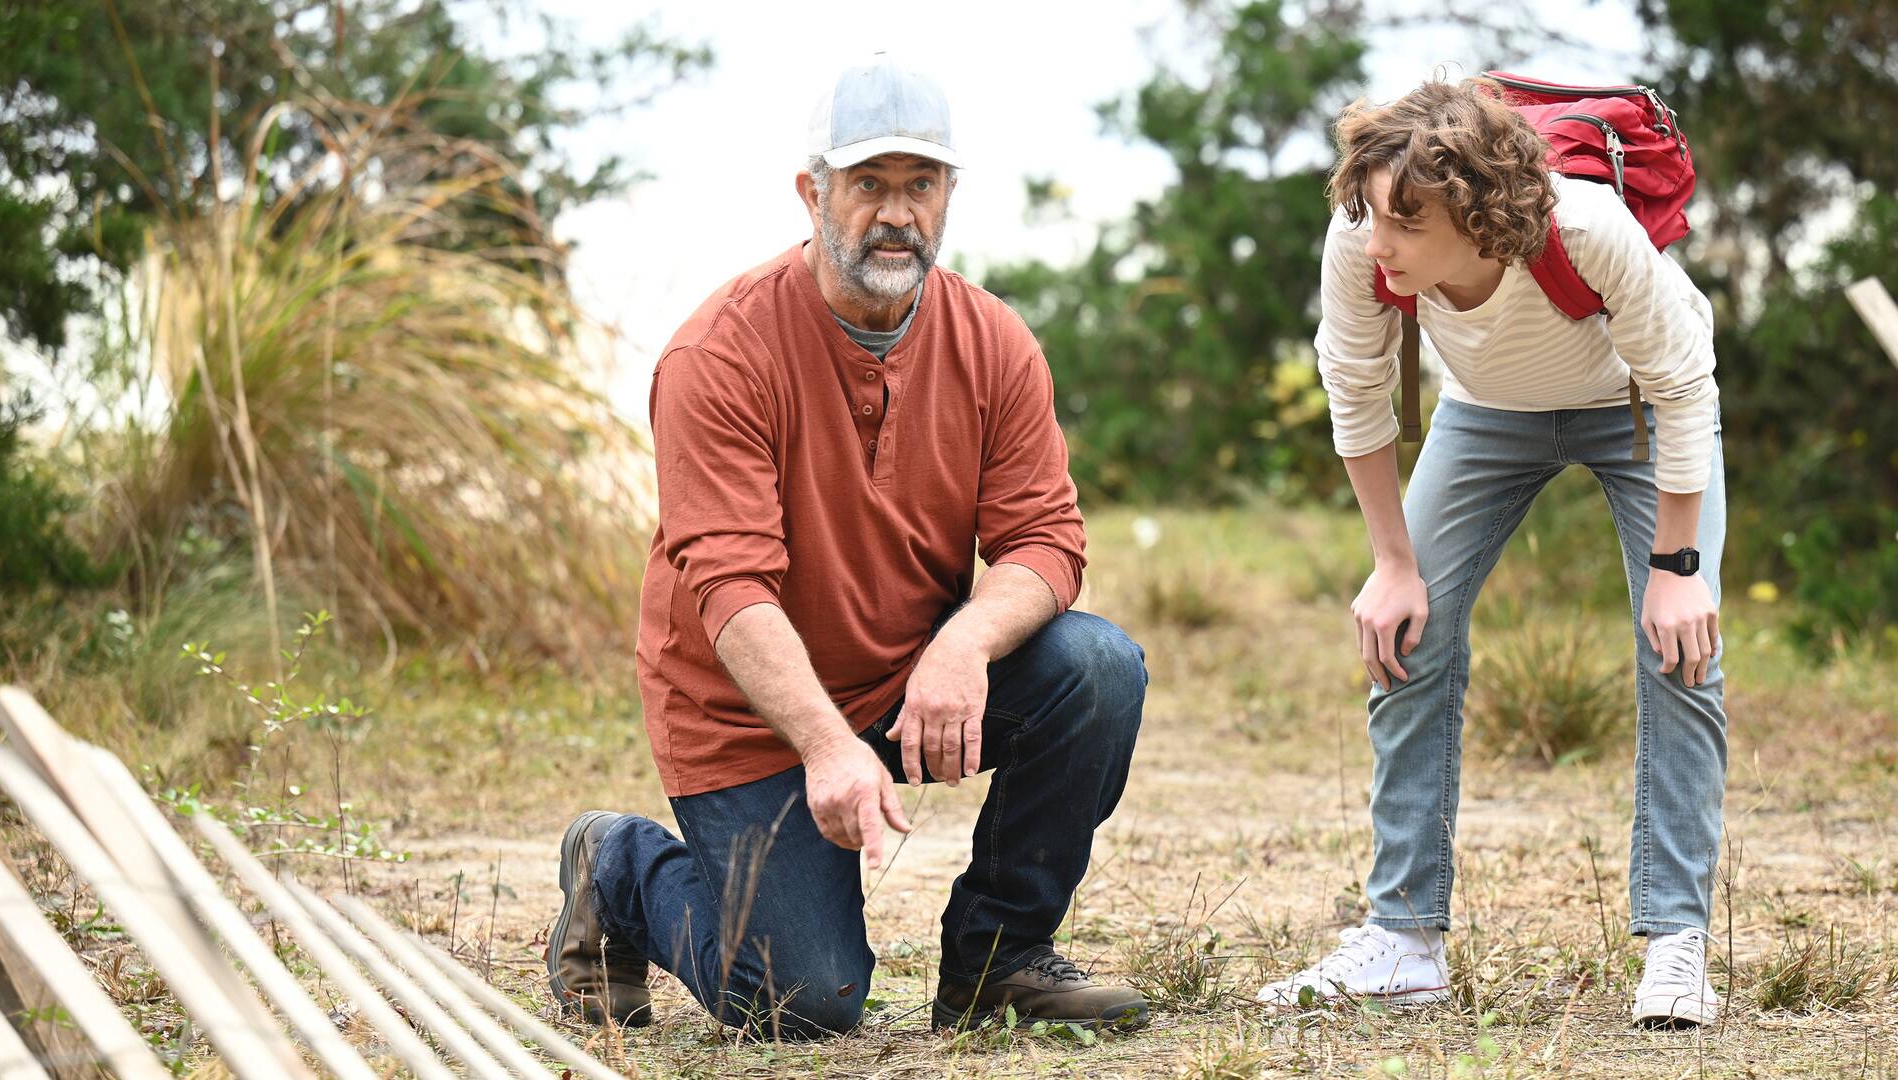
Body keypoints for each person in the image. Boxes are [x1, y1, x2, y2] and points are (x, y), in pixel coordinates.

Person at [543, 53, 1150, 1039]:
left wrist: (961, 647)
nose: (897, 212)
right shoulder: (720, 355)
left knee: (1097, 667)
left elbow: (1045, 539)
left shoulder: (995, 343)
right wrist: (824, 744)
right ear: (812, 191)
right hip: (750, 715)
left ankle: (998, 960)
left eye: (922, 184)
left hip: (910, 680)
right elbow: (730, 585)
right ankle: (617, 869)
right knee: (801, 1007)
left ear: (951, 194)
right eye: (868, 183)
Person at [1257, 77, 1727, 1028]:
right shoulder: (1363, 235)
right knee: (1405, 633)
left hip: (1633, 408)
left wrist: (1680, 572)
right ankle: (1402, 941)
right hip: (1486, 415)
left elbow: (1682, 385)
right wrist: (1392, 565)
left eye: (1404, 221)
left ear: (1477, 216)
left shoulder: (1585, 228)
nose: (1375, 241)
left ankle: (1676, 943)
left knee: (1681, 649)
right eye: (1369, 213)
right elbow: (1356, 387)